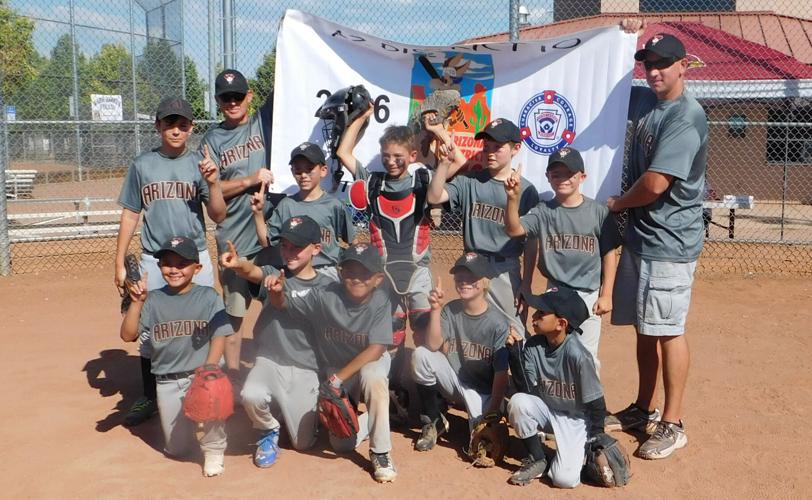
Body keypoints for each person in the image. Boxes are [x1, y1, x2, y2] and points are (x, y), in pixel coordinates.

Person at [606, 23, 709, 460]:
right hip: (643, 238)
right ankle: (642, 408)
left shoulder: (686, 116)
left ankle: (673, 422)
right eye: (648, 65)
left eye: (663, 64)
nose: (653, 72)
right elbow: (600, 90)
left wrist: (615, 204)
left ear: (684, 67)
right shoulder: (647, 99)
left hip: (670, 241)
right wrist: (617, 44)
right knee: (645, 329)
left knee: (667, 331)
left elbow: (654, 184)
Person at [114, 96, 226, 427]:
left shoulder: (200, 163)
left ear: (191, 128)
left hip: (195, 260)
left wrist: (213, 183)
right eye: (169, 123)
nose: (175, 130)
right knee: (150, 332)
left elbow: (218, 214)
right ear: (158, 126)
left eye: (182, 124)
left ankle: (204, 388)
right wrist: (119, 260)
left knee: (203, 326)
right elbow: (131, 213)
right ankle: (150, 394)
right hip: (155, 259)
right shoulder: (142, 165)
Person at [265, 242, 398, 483]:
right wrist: (276, 294)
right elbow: (285, 303)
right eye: (350, 271)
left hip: (368, 361)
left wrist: (336, 380)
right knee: (341, 445)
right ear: (340, 273)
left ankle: (381, 452)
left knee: (374, 378)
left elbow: (377, 348)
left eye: (364, 273)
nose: (356, 278)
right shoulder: (324, 295)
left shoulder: (380, 300)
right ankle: (381, 414)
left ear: (378, 278)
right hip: (335, 367)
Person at [219, 216, 331, 467]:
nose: (289, 252)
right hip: (269, 361)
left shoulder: (327, 287)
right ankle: (268, 430)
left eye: (297, 247)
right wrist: (238, 265)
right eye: (285, 246)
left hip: (306, 366)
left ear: (316, 248)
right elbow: (254, 272)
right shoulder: (274, 274)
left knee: (303, 443)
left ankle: (291, 411)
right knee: (251, 394)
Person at [119, 236, 233, 477]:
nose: (174, 269)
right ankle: (186, 427)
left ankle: (214, 448)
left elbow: (220, 335)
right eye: (168, 263)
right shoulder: (154, 299)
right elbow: (127, 335)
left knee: (213, 394)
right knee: (177, 449)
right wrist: (137, 303)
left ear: (197, 268)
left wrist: (210, 368)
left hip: (200, 374)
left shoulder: (208, 296)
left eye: (182, 263)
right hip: (167, 380)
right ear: (159, 267)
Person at [503, 147, 620, 371]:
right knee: (553, 350)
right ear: (548, 177)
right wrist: (512, 199)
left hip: (587, 293)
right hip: (555, 291)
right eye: (556, 174)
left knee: (585, 357)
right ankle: (554, 401)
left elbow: (609, 254)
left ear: (582, 177)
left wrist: (606, 295)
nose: (563, 179)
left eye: (570, 174)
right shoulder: (543, 211)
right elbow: (514, 230)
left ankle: (586, 405)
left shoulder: (598, 212)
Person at [428, 118, 539, 331]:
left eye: (498, 147)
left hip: (504, 268)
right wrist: (443, 163)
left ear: (516, 148)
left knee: (513, 330)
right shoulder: (469, 181)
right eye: (486, 147)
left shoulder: (526, 190)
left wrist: (526, 283)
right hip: (472, 265)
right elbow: (434, 197)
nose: (490, 152)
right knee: (473, 328)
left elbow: (531, 242)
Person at [200, 69, 274, 378]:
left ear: (249, 96)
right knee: (234, 315)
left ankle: (273, 371)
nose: (233, 102)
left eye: (238, 96)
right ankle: (231, 378)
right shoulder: (212, 140)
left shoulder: (263, 121)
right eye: (226, 98)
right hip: (233, 240)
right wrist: (249, 180)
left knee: (277, 305)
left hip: (269, 237)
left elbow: (288, 81)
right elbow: (210, 191)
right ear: (218, 101)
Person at [505, 286, 607, 488]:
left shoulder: (578, 355)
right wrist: (515, 357)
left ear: (561, 323)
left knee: (564, 480)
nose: (534, 316)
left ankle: (577, 456)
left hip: (577, 421)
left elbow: (597, 403)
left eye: (542, 313)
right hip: (548, 411)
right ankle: (538, 458)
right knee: (518, 402)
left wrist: (597, 439)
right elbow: (527, 392)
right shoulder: (534, 346)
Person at [411, 252, 510, 453]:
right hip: (455, 382)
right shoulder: (450, 310)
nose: (464, 282)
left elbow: (501, 374)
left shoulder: (498, 323)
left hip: (483, 393)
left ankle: (502, 413)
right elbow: (432, 345)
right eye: (460, 277)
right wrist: (436, 310)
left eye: (471, 277)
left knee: (479, 448)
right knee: (420, 356)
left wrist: (491, 414)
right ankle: (434, 419)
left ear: (483, 282)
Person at [251, 142, 354, 281]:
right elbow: (266, 242)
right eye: (298, 170)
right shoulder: (286, 205)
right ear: (292, 172)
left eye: (309, 169)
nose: (303, 175)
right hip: (294, 272)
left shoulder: (334, 205)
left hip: (326, 271)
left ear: (323, 170)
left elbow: (353, 240)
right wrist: (258, 213)